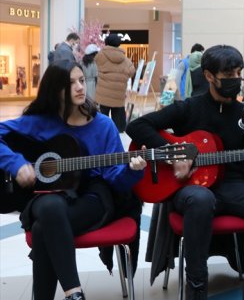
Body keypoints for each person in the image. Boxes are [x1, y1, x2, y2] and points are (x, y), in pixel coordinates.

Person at [126, 45, 244, 300]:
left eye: (238, 72)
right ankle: (197, 289)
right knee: (201, 200)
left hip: (234, 187)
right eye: (228, 74)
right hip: (189, 187)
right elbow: (137, 126)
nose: (235, 79)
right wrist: (174, 153)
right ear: (210, 76)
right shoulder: (189, 108)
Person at [0, 60, 147, 300]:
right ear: (54, 90)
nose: (80, 87)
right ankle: (75, 293)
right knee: (50, 206)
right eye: (71, 83)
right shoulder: (39, 122)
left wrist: (133, 170)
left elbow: (114, 178)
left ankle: (69, 293)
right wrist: (15, 164)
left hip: (92, 197)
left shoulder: (103, 125)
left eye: (82, 80)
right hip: (46, 194)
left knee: (42, 227)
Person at [94, 34, 135, 133]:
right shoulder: (125, 59)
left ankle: (103, 135)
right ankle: (117, 137)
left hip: (103, 94)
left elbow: (94, 67)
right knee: (118, 123)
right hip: (118, 95)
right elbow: (132, 71)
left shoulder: (100, 56)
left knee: (102, 120)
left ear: (106, 43)